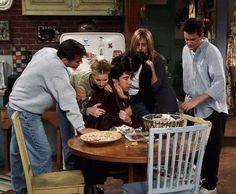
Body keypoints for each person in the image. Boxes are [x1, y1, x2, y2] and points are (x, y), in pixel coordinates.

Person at [7, 39, 96, 194]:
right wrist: (81, 127)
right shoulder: (56, 70)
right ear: (64, 60)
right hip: (26, 112)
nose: (80, 63)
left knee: (18, 154)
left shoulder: (48, 51)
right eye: (77, 61)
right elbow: (67, 99)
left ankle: (20, 190)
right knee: (42, 155)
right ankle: (43, 190)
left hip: (15, 105)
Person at [181, 18, 228, 194]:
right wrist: (187, 100)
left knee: (211, 151)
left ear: (202, 36)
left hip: (213, 109)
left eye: (192, 39)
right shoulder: (185, 50)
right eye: (186, 39)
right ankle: (196, 183)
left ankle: (210, 187)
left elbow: (219, 84)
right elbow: (189, 79)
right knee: (194, 149)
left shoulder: (212, 52)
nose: (189, 43)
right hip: (194, 108)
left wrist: (196, 100)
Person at [56, 58, 112, 170]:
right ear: (92, 75)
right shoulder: (82, 82)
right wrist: (89, 110)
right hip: (66, 103)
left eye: (104, 80)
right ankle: (72, 172)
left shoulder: (104, 80)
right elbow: (77, 108)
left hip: (83, 103)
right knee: (70, 139)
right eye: (98, 80)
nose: (101, 83)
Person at [129, 28, 178, 124]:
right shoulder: (132, 59)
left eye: (143, 45)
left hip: (164, 101)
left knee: (162, 135)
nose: (140, 48)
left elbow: (155, 87)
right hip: (149, 102)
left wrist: (151, 67)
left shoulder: (157, 59)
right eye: (137, 44)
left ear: (149, 45)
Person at [85, 53, 134, 130]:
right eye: (126, 78)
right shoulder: (103, 93)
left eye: (105, 80)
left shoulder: (122, 93)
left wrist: (125, 99)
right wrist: (87, 110)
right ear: (114, 80)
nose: (101, 83)